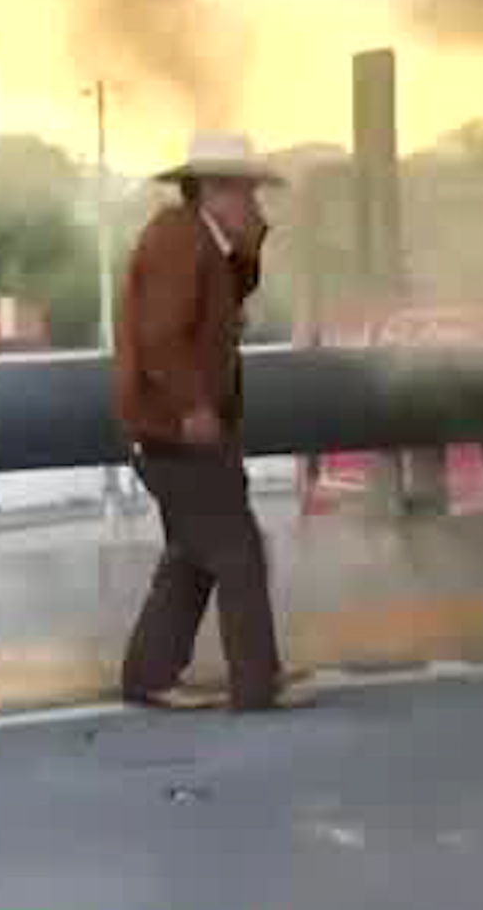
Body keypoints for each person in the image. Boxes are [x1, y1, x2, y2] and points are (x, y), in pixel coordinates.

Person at [114, 131, 312, 713]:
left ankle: (149, 675)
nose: (256, 202)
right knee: (236, 550)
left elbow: (228, 298)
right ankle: (256, 683)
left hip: (175, 428)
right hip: (177, 429)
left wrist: (251, 246)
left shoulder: (202, 240)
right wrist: (193, 406)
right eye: (247, 191)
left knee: (194, 554)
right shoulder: (178, 239)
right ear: (217, 189)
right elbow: (160, 336)